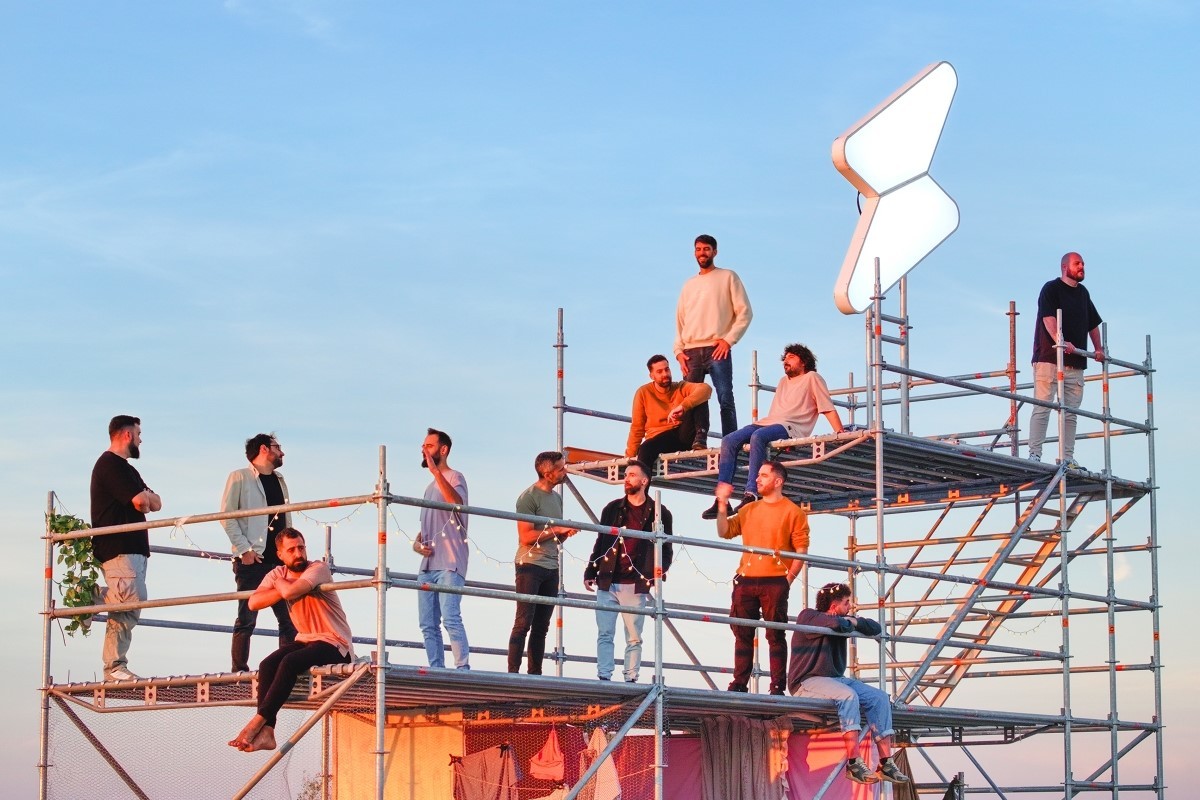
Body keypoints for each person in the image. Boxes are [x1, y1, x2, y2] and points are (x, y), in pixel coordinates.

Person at [228, 528, 354, 753]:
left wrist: (281, 586)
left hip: (335, 643)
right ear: (280, 555)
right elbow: (254, 603)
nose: (298, 554)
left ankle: (257, 722)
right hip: (306, 639)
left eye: (301, 548)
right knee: (267, 665)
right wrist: (282, 586)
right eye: (292, 550)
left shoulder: (318, 568)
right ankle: (268, 732)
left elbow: (291, 591)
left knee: (289, 662)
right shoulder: (278, 574)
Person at [704, 343, 843, 519]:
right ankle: (721, 500)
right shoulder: (783, 381)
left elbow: (826, 407)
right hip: (770, 422)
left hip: (791, 426)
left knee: (758, 437)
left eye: (791, 357)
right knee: (729, 440)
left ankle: (752, 493)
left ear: (804, 361)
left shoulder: (812, 377)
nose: (786, 361)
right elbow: (776, 411)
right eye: (785, 358)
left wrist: (840, 432)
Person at [788, 582, 909, 785]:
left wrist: (851, 621)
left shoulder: (842, 619)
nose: (850, 606)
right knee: (847, 695)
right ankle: (854, 762)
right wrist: (849, 622)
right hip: (807, 681)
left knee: (879, 698)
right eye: (846, 603)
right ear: (834, 606)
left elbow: (874, 628)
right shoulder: (808, 616)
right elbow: (837, 625)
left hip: (836, 679)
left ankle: (886, 762)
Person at [715, 460, 808, 695]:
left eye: (763, 475)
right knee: (742, 633)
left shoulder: (793, 512)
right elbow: (724, 531)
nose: (757, 479)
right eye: (758, 475)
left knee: (775, 635)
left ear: (778, 481)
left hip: (775, 580)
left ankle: (777, 686)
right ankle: (739, 684)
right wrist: (722, 504)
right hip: (745, 579)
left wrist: (787, 580)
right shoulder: (749, 510)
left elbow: (801, 550)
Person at [583, 461, 673, 682]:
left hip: (636, 582)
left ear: (644, 481)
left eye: (632, 475)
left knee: (634, 636)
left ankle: (631, 678)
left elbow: (666, 547)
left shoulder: (660, 512)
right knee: (605, 633)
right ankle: (604, 676)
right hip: (608, 579)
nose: (627, 478)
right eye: (626, 475)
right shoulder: (612, 509)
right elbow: (601, 541)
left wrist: (659, 572)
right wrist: (590, 570)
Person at [90, 415, 162, 681]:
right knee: (131, 600)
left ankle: (115, 667)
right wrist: (144, 499)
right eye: (139, 434)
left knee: (127, 609)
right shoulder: (110, 465)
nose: (141, 439)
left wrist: (145, 498)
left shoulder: (128, 469)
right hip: (118, 546)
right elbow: (140, 501)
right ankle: (91, 598)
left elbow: (156, 502)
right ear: (127, 435)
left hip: (134, 548)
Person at [220, 433, 297, 673]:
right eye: (278, 447)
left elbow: (285, 518)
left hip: (280, 562)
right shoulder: (240, 477)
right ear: (264, 449)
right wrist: (245, 550)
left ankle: (287, 669)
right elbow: (226, 516)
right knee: (246, 618)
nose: (282, 452)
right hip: (253, 560)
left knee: (289, 620)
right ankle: (239, 671)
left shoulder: (280, 480)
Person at [1028, 251, 1104, 468]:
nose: (1082, 267)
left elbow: (1092, 324)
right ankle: (1034, 454)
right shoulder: (1051, 289)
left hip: (1075, 363)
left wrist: (1098, 349)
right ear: (1064, 267)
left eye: (1083, 264)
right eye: (1077, 263)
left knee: (1071, 413)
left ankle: (1067, 457)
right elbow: (1048, 318)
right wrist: (1061, 341)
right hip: (1050, 359)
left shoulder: (1083, 294)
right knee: (1042, 407)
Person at [674, 234, 753, 444]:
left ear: (715, 252)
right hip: (691, 350)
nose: (702, 253)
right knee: (692, 400)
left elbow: (745, 312)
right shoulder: (688, 285)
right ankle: (695, 441)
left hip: (717, 347)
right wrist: (678, 351)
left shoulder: (728, 276)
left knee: (725, 397)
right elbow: (680, 321)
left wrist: (729, 340)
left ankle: (731, 442)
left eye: (706, 249)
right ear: (694, 252)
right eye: (698, 249)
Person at [508, 451, 577, 674]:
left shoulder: (557, 498)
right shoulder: (528, 498)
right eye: (561, 468)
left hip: (551, 566)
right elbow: (526, 536)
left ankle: (534, 674)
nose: (565, 471)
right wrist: (557, 528)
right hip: (530, 565)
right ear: (548, 474)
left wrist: (564, 533)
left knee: (542, 627)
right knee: (523, 622)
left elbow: (552, 537)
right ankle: (513, 674)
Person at [412, 428, 471, 669]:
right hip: (427, 566)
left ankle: (462, 669)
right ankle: (436, 670)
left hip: (449, 562)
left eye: (429, 446)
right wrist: (417, 544)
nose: (423, 450)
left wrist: (436, 472)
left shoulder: (455, 477)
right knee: (428, 624)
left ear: (443, 450)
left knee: (451, 618)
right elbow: (426, 528)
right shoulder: (429, 487)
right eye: (423, 446)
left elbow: (457, 504)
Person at [626, 354, 713, 465]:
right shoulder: (643, 392)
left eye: (667, 369)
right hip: (659, 439)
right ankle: (641, 474)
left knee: (700, 396)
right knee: (645, 449)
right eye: (659, 372)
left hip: (683, 435)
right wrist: (629, 457)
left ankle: (701, 438)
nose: (665, 374)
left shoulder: (680, 387)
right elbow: (637, 428)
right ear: (652, 376)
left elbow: (706, 389)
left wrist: (683, 406)